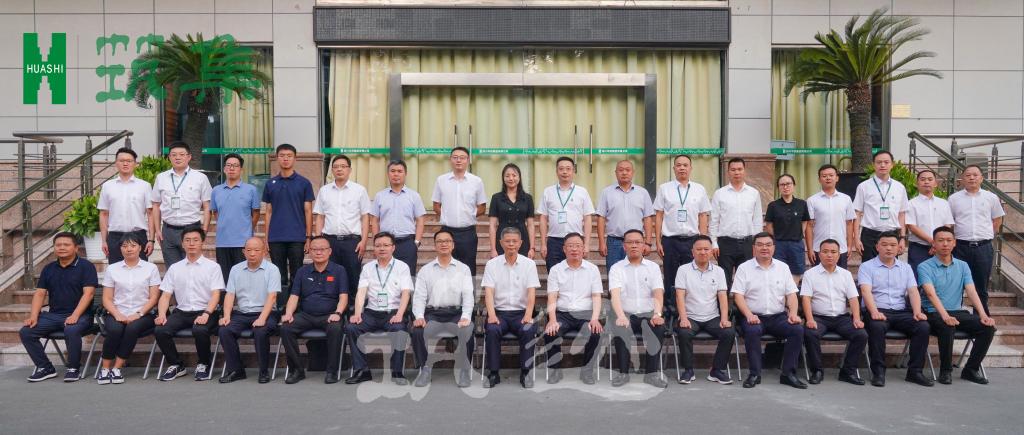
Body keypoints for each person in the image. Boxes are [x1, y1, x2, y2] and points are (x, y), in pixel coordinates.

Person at [918, 226, 996, 385]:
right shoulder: (924, 266)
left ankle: (971, 369)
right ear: (934, 243)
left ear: (954, 243)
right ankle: (945, 371)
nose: (945, 244)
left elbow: (972, 291)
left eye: (949, 240)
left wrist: (983, 315)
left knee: (987, 328)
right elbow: (931, 294)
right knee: (948, 326)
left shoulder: (963, 265)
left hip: (957, 312)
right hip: (933, 312)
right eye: (940, 240)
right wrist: (945, 316)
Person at [20, 232, 98, 382]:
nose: (62, 247)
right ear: (54, 248)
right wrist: (33, 317)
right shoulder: (49, 268)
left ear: (76, 248)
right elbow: (39, 294)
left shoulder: (86, 266)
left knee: (71, 329)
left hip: (81, 315)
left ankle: (73, 368)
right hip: (53, 315)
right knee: (27, 332)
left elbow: (88, 294)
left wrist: (75, 315)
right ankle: (45, 367)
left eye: (66, 245)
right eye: (58, 245)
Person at [858, 231, 933, 387]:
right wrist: (874, 312)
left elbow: (913, 291)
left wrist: (917, 312)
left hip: (900, 311)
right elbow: (865, 291)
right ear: (877, 247)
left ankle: (915, 372)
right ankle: (878, 372)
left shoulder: (906, 268)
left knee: (922, 326)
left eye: (893, 245)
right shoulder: (866, 267)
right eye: (884, 245)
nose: (889, 248)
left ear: (899, 248)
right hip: (878, 310)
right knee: (876, 327)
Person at [731, 232, 805, 389]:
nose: (764, 248)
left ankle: (788, 374)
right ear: (754, 248)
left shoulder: (783, 267)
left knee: (797, 330)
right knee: (752, 331)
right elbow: (738, 296)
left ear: (774, 247)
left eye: (768, 245)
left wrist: (793, 313)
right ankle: (754, 374)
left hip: (778, 317)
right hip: (753, 316)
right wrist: (749, 315)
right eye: (760, 245)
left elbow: (791, 294)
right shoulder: (744, 268)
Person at [154, 226, 224, 382]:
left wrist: (206, 314)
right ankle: (176, 365)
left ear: (202, 243)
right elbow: (165, 295)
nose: (191, 244)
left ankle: (203, 363)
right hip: (182, 312)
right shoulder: (175, 268)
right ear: (182, 244)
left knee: (200, 329)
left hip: (206, 311)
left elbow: (216, 295)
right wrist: (162, 315)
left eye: (195, 240)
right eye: (187, 240)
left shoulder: (213, 267)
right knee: (161, 330)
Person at [345, 232, 414, 385]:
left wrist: (400, 314)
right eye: (378, 246)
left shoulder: (402, 267)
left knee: (399, 330)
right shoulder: (368, 268)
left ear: (393, 248)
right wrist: (357, 313)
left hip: (393, 312)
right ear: (374, 248)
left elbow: (406, 293)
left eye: (386, 245)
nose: (382, 248)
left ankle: (397, 372)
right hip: (371, 313)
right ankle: (362, 371)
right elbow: (361, 292)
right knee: (352, 327)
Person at [411, 230, 476, 388]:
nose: (444, 244)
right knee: (418, 330)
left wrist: (466, 316)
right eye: (440, 241)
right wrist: (419, 316)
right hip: (433, 314)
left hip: (456, 314)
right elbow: (419, 297)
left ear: (453, 245)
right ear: (435, 246)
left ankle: (464, 370)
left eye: (447, 241)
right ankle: (425, 369)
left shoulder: (463, 269)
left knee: (467, 329)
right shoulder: (425, 270)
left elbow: (468, 296)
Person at [279, 236, 348, 384]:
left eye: (322, 249)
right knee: (286, 328)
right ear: (309, 252)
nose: (318, 252)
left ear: (329, 251)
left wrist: (338, 313)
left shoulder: (339, 270)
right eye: (315, 249)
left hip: (329, 315)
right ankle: (297, 370)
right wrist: (289, 313)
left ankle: (332, 371)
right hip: (306, 315)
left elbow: (343, 297)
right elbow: (294, 296)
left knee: (336, 329)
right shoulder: (302, 271)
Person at [800, 239, 868, 386]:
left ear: (839, 254)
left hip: (841, 318)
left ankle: (848, 371)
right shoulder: (810, 274)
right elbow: (806, 298)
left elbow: (853, 299)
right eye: (825, 252)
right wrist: (809, 319)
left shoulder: (846, 274)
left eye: (833, 252)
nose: (829, 255)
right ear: (819, 254)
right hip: (818, 318)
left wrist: (856, 318)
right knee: (810, 333)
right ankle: (817, 371)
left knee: (861, 334)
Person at [97, 232, 160, 385]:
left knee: (132, 328)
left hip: (144, 314)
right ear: (120, 249)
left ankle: (117, 368)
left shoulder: (151, 268)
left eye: (133, 245)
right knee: (115, 330)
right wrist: (117, 314)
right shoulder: (112, 269)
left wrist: (138, 314)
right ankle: (105, 369)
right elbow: (107, 298)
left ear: (140, 248)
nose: (129, 249)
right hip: (116, 312)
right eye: (125, 246)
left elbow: (154, 298)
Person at [608, 230, 668, 388]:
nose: (634, 245)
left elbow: (658, 292)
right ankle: (623, 373)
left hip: (648, 314)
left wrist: (657, 314)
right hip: (626, 314)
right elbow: (615, 295)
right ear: (624, 246)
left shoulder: (653, 267)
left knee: (658, 328)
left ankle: (651, 374)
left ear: (643, 246)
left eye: (637, 242)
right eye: (630, 242)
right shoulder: (616, 268)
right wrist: (620, 316)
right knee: (620, 327)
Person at [482, 227, 540, 388]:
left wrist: (528, 315)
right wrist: (491, 315)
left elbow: (531, 293)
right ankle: (493, 373)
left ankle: (526, 372)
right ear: (501, 243)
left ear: (520, 243)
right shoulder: (492, 264)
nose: (511, 244)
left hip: (521, 313)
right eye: (507, 241)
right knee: (492, 330)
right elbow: (488, 292)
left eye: (514, 241)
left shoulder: (529, 264)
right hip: (499, 313)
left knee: (528, 329)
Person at [218, 237, 282, 384]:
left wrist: (262, 318)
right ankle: (236, 370)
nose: (252, 253)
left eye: (256, 250)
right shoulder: (236, 269)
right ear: (243, 252)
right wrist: (226, 315)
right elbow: (230, 294)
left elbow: (272, 296)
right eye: (249, 250)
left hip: (266, 312)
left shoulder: (272, 269)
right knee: (225, 330)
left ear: (264, 252)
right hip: (242, 313)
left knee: (260, 331)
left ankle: (263, 371)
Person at [543, 232, 603, 385]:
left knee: (595, 333)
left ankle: (587, 371)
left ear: (583, 249)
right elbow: (552, 297)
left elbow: (596, 296)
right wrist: (552, 320)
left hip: (585, 315)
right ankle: (555, 370)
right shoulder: (556, 270)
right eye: (570, 246)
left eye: (578, 246)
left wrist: (595, 319)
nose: (574, 249)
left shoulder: (592, 269)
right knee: (551, 332)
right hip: (563, 314)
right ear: (564, 249)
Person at [673, 235, 734, 385]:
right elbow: (679, 296)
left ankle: (717, 370)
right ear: (692, 251)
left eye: (706, 249)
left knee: (728, 332)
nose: (703, 252)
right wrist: (683, 318)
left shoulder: (719, 271)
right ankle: (688, 370)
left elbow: (722, 297)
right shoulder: (683, 270)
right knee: (684, 332)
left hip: (712, 317)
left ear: (712, 251)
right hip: (690, 316)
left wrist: (724, 318)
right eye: (699, 249)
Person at [654, 154, 711, 312]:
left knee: (692, 275)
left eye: (685, 165)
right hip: (670, 240)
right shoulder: (664, 188)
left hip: (692, 241)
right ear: (674, 168)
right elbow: (659, 215)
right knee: (670, 276)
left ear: (691, 168)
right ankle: (671, 309)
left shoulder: (699, 189)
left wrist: (703, 241)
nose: (682, 168)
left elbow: (703, 216)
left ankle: (690, 309)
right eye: (678, 165)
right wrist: (658, 241)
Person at [262, 143, 315, 308]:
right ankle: (280, 307)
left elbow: (308, 211)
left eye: (289, 156)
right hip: (276, 237)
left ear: (295, 158)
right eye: (282, 156)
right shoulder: (270, 183)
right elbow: (268, 212)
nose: (285, 159)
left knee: (297, 274)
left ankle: (296, 307)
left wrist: (308, 237)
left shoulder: (304, 183)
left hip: (297, 237)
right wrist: (266, 238)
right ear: (277, 158)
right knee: (278, 275)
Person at [948, 165, 1005, 312]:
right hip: (960, 247)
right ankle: (956, 316)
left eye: (975, 175)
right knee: (956, 284)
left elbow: (997, 220)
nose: (971, 178)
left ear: (981, 178)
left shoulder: (991, 197)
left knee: (981, 286)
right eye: (968, 175)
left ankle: (981, 318)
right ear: (962, 179)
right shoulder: (954, 199)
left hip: (983, 248)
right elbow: (949, 222)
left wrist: (986, 235)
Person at [314, 154, 371, 299]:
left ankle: (352, 305)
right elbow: (320, 216)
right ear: (332, 170)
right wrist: (319, 240)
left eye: (343, 166)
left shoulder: (359, 190)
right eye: (336, 167)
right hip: (329, 241)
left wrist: (364, 241)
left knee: (353, 275)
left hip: (352, 241)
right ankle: (331, 303)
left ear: (349, 170)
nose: (339, 169)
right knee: (330, 275)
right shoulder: (324, 190)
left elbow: (365, 217)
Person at [151, 141, 212, 267]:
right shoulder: (161, 178)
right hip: (168, 230)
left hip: (192, 229)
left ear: (189, 157)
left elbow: (207, 206)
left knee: (193, 267)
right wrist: (157, 230)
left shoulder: (200, 178)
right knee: (172, 269)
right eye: (173, 155)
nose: (177, 157)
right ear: (169, 157)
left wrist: (205, 230)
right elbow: (156, 205)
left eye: (181, 154)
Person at [432, 146, 487, 275]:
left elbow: (482, 207)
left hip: (467, 233)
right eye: (455, 157)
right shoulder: (441, 180)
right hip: (446, 231)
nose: (458, 160)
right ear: (450, 159)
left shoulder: (476, 181)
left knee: (468, 267)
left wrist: (470, 215)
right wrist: (446, 215)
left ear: (468, 160)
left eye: (462, 158)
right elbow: (436, 205)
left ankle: (469, 289)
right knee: (446, 266)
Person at [710, 157, 763, 287]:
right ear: (728, 171)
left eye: (739, 169)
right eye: (733, 169)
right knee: (724, 281)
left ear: (744, 171)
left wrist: (757, 244)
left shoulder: (753, 193)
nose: (736, 172)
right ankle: (725, 301)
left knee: (746, 280)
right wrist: (714, 243)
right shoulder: (719, 193)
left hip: (747, 243)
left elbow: (757, 220)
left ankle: (742, 302)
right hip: (725, 244)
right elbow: (714, 220)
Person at [537, 157, 595, 272]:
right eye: (561, 169)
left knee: (576, 273)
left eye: (568, 169)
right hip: (554, 241)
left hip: (576, 241)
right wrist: (543, 244)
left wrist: (587, 244)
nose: (564, 172)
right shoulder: (548, 191)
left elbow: (587, 218)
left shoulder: (582, 192)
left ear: (573, 171)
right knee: (554, 273)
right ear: (556, 171)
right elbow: (543, 218)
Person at [98, 146, 154, 264]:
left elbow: (150, 214)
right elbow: (103, 214)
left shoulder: (145, 186)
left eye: (129, 161)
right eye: (121, 160)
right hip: (115, 237)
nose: (125, 163)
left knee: (140, 270)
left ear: (135, 164)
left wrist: (151, 240)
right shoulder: (107, 186)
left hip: (138, 236)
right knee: (115, 270)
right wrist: (104, 240)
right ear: (116, 163)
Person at [211, 153, 261, 283]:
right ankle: (226, 297)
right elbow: (216, 212)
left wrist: (248, 228)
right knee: (225, 278)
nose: (231, 168)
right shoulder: (216, 190)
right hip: (222, 242)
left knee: (244, 278)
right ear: (224, 169)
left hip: (243, 242)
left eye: (235, 165)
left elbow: (256, 213)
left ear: (241, 169)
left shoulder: (251, 190)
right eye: (228, 165)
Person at [370, 160, 426, 274]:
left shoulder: (414, 196)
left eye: (399, 171)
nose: (396, 174)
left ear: (405, 174)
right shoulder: (380, 196)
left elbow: (420, 220)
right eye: (393, 171)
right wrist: (377, 243)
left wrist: (416, 242)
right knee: (385, 274)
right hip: (385, 244)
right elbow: (374, 221)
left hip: (407, 243)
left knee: (408, 276)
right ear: (388, 174)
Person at [597, 160, 655, 269]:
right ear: (615, 173)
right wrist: (601, 242)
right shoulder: (606, 192)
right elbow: (601, 218)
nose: (624, 173)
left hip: (636, 242)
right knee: (614, 272)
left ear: (633, 172)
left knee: (636, 272)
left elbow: (648, 218)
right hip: (614, 242)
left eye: (627, 170)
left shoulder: (642, 193)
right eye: (621, 170)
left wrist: (648, 243)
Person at [853, 150, 908, 263]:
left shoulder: (899, 187)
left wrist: (902, 238)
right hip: (870, 235)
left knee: (890, 267)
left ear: (892, 165)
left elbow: (901, 214)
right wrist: (856, 238)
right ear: (873, 165)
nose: (882, 165)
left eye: (886, 162)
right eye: (879, 162)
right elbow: (857, 213)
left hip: (892, 235)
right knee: (869, 267)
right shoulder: (863, 186)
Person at [805, 164, 856, 268]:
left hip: (840, 248)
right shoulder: (812, 200)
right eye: (824, 176)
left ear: (837, 178)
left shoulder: (846, 199)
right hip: (818, 249)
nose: (828, 178)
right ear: (819, 179)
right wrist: (810, 249)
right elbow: (809, 226)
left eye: (831, 175)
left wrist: (849, 246)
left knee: (840, 276)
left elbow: (849, 223)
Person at [905, 169, 954, 276]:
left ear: (935, 183)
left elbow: (947, 225)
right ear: (917, 183)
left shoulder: (944, 203)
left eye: (930, 179)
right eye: (923, 179)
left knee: (941, 278)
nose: (926, 182)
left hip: (941, 248)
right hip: (919, 248)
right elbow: (911, 226)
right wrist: (933, 242)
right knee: (918, 278)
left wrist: (938, 243)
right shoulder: (911, 204)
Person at [765, 174, 810, 280]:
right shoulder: (773, 205)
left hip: (796, 244)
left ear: (793, 185)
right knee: (778, 273)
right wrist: (777, 238)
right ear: (778, 187)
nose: (785, 187)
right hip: (779, 245)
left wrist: (798, 233)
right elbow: (769, 226)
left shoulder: (802, 204)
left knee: (796, 273)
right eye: (782, 185)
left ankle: (793, 291)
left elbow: (804, 221)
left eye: (788, 184)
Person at [488, 163, 536, 258]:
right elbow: (492, 225)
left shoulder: (527, 198)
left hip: (522, 239)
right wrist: (493, 249)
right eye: (507, 176)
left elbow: (530, 225)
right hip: (502, 238)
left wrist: (532, 248)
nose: (511, 178)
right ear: (503, 178)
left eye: (514, 175)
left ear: (519, 177)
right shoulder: (496, 198)